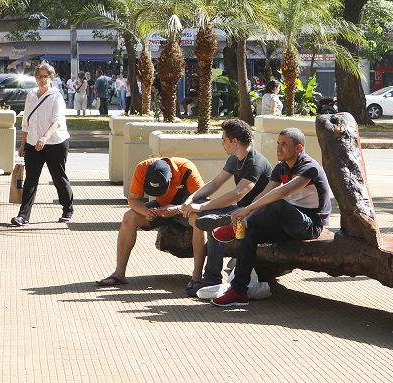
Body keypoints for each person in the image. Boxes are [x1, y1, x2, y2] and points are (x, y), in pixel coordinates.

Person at [210, 128, 331, 307]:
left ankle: (232, 229)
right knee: (250, 234)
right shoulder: (281, 167)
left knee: (277, 204)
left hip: (310, 226)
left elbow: (283, 191)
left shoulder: (309, 167)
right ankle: (238, 291)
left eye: (284, 144)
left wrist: (247, 211)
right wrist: (246, 214)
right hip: (288, 223)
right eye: (278, 143)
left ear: (298, 148)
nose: (279, 148)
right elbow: (264, 194)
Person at [180, 119, 272, 296]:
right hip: (240, 209)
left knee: (212, 220)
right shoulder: (234, 159)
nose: (222, 143)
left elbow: (238, 194)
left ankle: (211, 278)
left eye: (223, 139)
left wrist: (202, 206)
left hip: (255, 213)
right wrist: (193, 199)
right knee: (207, 215)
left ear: (234, 141)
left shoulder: (254, 163)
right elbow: (215, 183)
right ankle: (218, 223)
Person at [96, 158, 205, 288]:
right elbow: (133, 200)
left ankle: (197, 276)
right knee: (129, 217)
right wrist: (145, 211)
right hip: (162, 207)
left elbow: (201, 202)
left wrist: (176, 209)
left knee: (199, 220)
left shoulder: (186, 168)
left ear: (170, 176)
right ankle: (119, 273)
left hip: (185, 209)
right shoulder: (142, 168)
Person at [11, 62, 73, 226]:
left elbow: (57, 121)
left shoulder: (56, 96)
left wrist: (44, 137)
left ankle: (68, 208)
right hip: (33, 144)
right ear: (35, 78)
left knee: (59, 178)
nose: (42, 79)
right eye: (39, 76)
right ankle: (23, 215)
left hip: (55, 143)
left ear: (51, 77)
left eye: (45, 76)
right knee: (30, 180)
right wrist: (23, 144)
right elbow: (26, 123)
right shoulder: (31, 95)